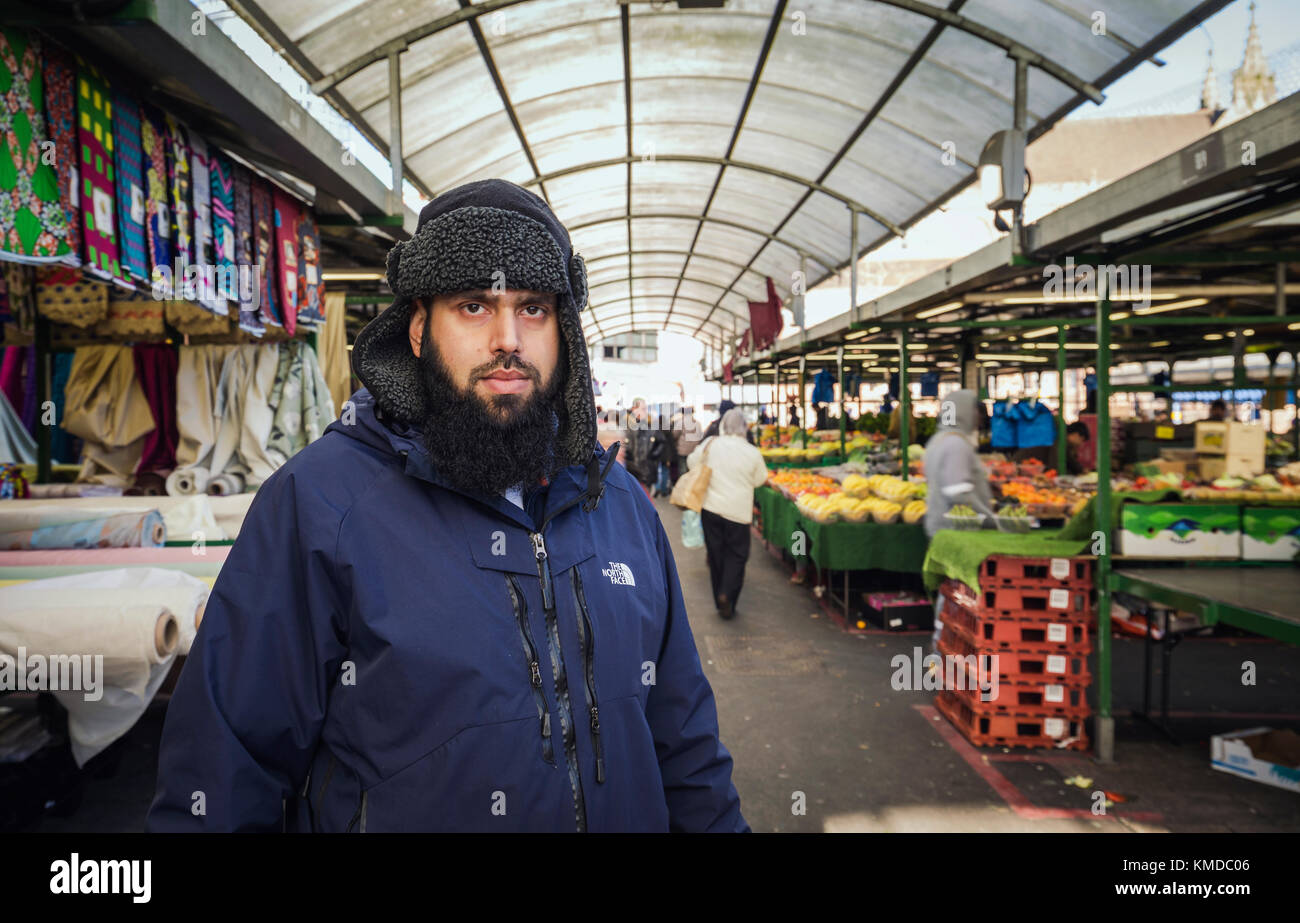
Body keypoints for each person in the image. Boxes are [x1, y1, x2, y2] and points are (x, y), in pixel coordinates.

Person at [147, 179, 746, 833]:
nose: (507, 338)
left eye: (534, 307)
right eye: (472, 305)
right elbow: (223, 775)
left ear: (564, 328)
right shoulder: (320, 507)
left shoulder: (622, 507)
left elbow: (685, 748)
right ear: (416, 327)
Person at [924, 389, 999, 648]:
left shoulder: (939, 440)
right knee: (955, 593)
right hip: (956, 529)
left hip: (941, 526)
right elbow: (958, 493)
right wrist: (989, 518)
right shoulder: (955, 445)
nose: (979, 417)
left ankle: (943, 650)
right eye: (976, 411)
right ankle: (942, 651)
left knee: (950, 591)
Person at [688, 408, 768, 620]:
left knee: (716, 555)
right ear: (744, 427)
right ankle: (727, 596)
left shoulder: (711, 444)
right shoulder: (752, 452)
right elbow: (760, 479)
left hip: (710, 509)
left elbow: (691, 463)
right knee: (737, 555)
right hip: (738, 513)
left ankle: (719, 599)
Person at [623, 397, 656, 495]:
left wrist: (653, 455)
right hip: (630, 473)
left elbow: (659, 441)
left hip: (645, 471)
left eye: (645, 409)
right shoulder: (625, 425)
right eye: (643, 409)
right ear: (634, 409)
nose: (645, 411)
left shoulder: (649, 424)